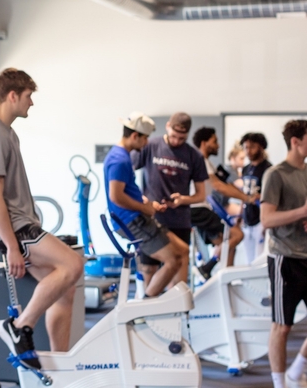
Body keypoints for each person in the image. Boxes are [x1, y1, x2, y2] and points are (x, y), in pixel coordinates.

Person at [0, 68, 83, 368]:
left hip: (20, 224)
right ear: (13, 95)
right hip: (14, 228)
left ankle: (60, 367)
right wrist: (12, 247)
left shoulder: (7, 133)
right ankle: (20, 326)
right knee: (73, 264)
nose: (31, 103)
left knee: (65, 290)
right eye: (29, 96)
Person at [104, 113, 186, 297]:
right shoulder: (120, 159)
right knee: (173, 261)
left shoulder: (121, 155)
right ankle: (145, 307)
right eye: (145, 138)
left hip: (136, 215)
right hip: (132, 220)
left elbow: (127, 190)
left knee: (183, 250)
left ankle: (174, 304)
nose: (147, 143)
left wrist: (148, 203)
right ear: (135, 136)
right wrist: (144, 208)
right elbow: (116, 196)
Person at [259, 119, 307, 388]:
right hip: (284, 258)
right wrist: (302, 211)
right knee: (283, 325)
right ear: (296, 142)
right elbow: (266, 220)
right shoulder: (275, 175)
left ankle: (296, 373)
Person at [131, 112, 206, 292]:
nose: (176, 141)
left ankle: (176, 316)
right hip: (152, 220)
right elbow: (127, 175)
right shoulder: (150, 146)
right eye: (173, 136)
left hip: (179, 221)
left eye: (182, 138)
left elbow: (201, 195)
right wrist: (143, 201)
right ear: (167, 126)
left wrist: (183, 200)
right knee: (150, 271)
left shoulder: (194, 156)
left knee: (178, 280)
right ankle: (148, 313)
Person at [190, 127, 254, 275]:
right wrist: (247, 199)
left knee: (228, 245)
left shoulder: (208, 163)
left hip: (202, 209)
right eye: (215, 141)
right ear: (204, 143)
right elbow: (218, 186)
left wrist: (245, 197)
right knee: (237, 235)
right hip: (198, 208)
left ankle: (225, 282)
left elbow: (226, 184)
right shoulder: (201, 161)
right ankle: (207, 268)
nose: (218, 145)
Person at [240, 132, 272, 263]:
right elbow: (243, 193)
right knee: (248, 261)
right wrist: (240, 215)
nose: (248, 151)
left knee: (259, 260)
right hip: (247, 219)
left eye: (252, 147)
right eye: (246, 147)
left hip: (261, 220)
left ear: (261, 147)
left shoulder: (269, 169)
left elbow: (271, 197)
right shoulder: (246, 169)